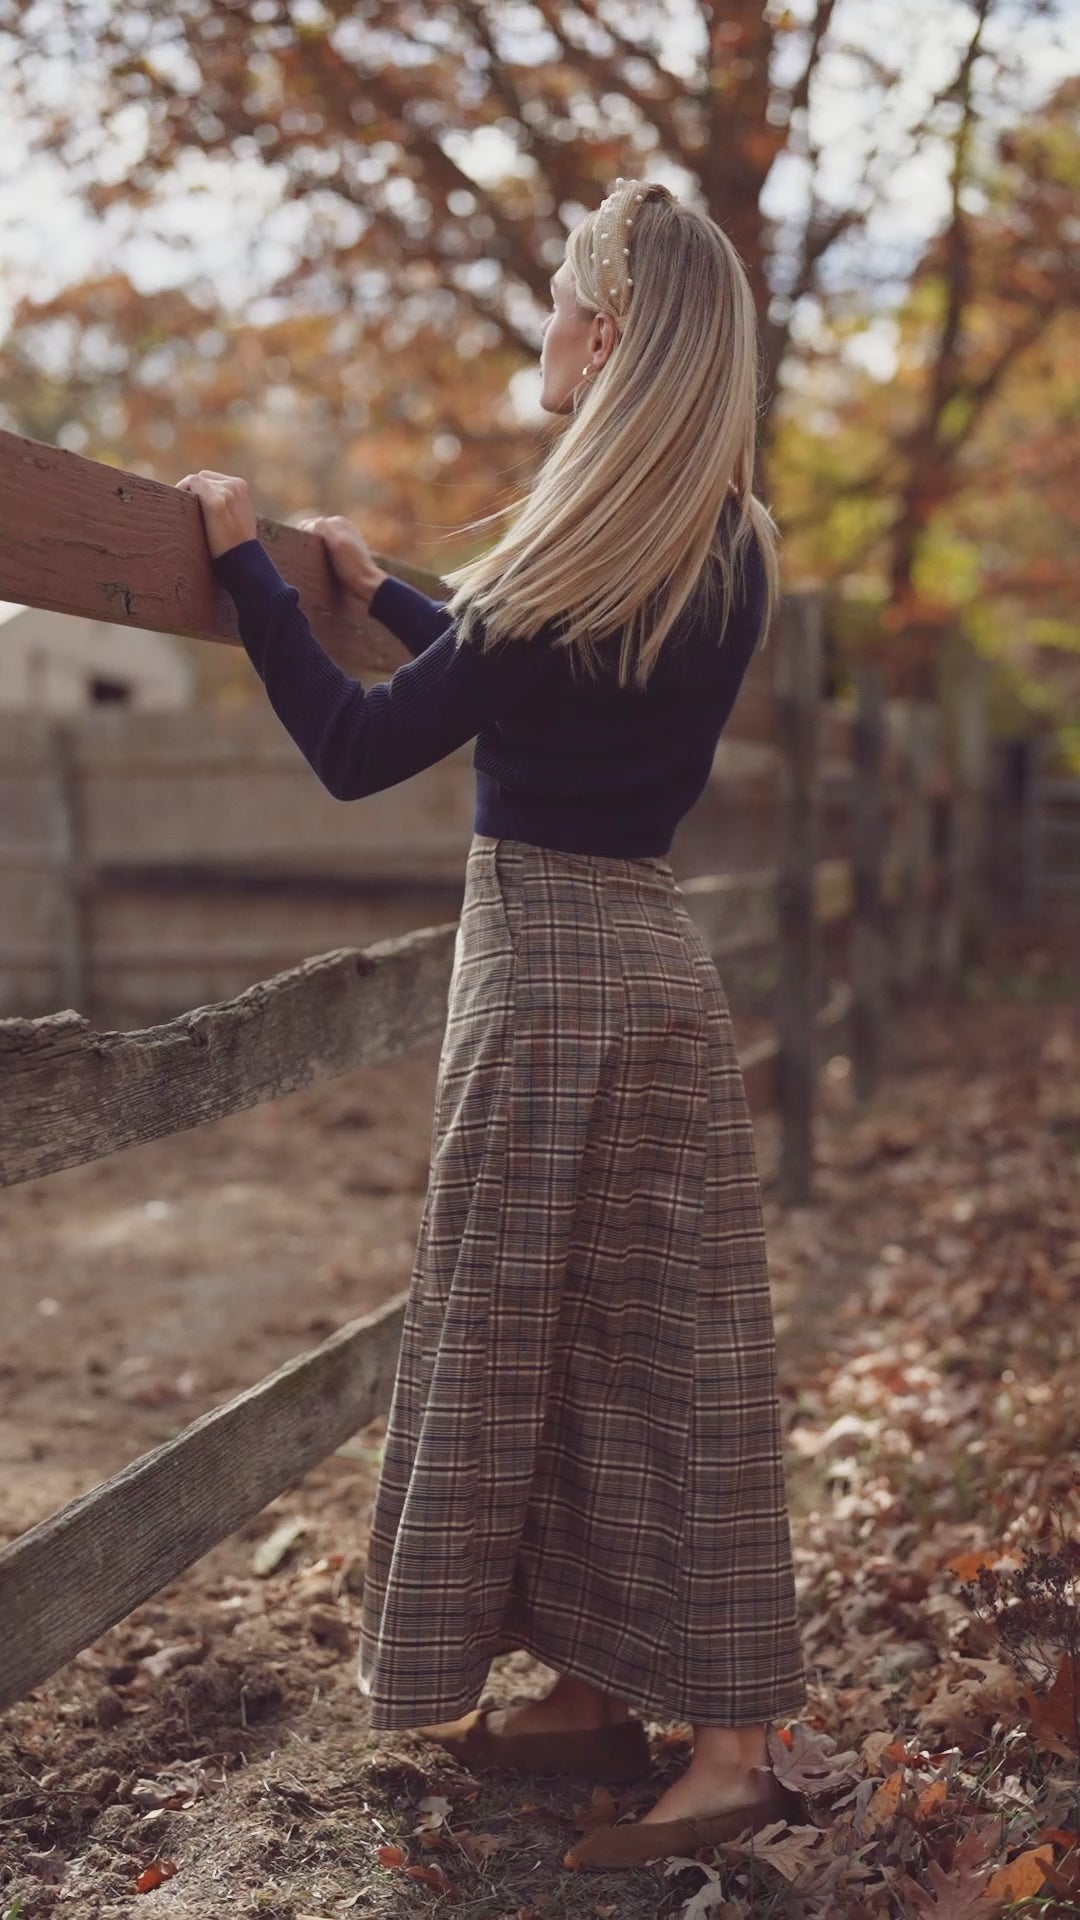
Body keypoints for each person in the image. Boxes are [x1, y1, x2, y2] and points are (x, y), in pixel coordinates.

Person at [176, 175, 806, 1873]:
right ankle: (602, 1696)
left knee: (538, 1331)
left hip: (540, 982)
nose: (540, 329)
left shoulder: (571, 555)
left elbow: (366, 748)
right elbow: (531, 670)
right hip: (653, 970)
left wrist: (246, 568)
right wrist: (387, 594)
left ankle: (734, 1754)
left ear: (603, 333)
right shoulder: (717, 540)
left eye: (556, 304)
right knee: (644, 1339)